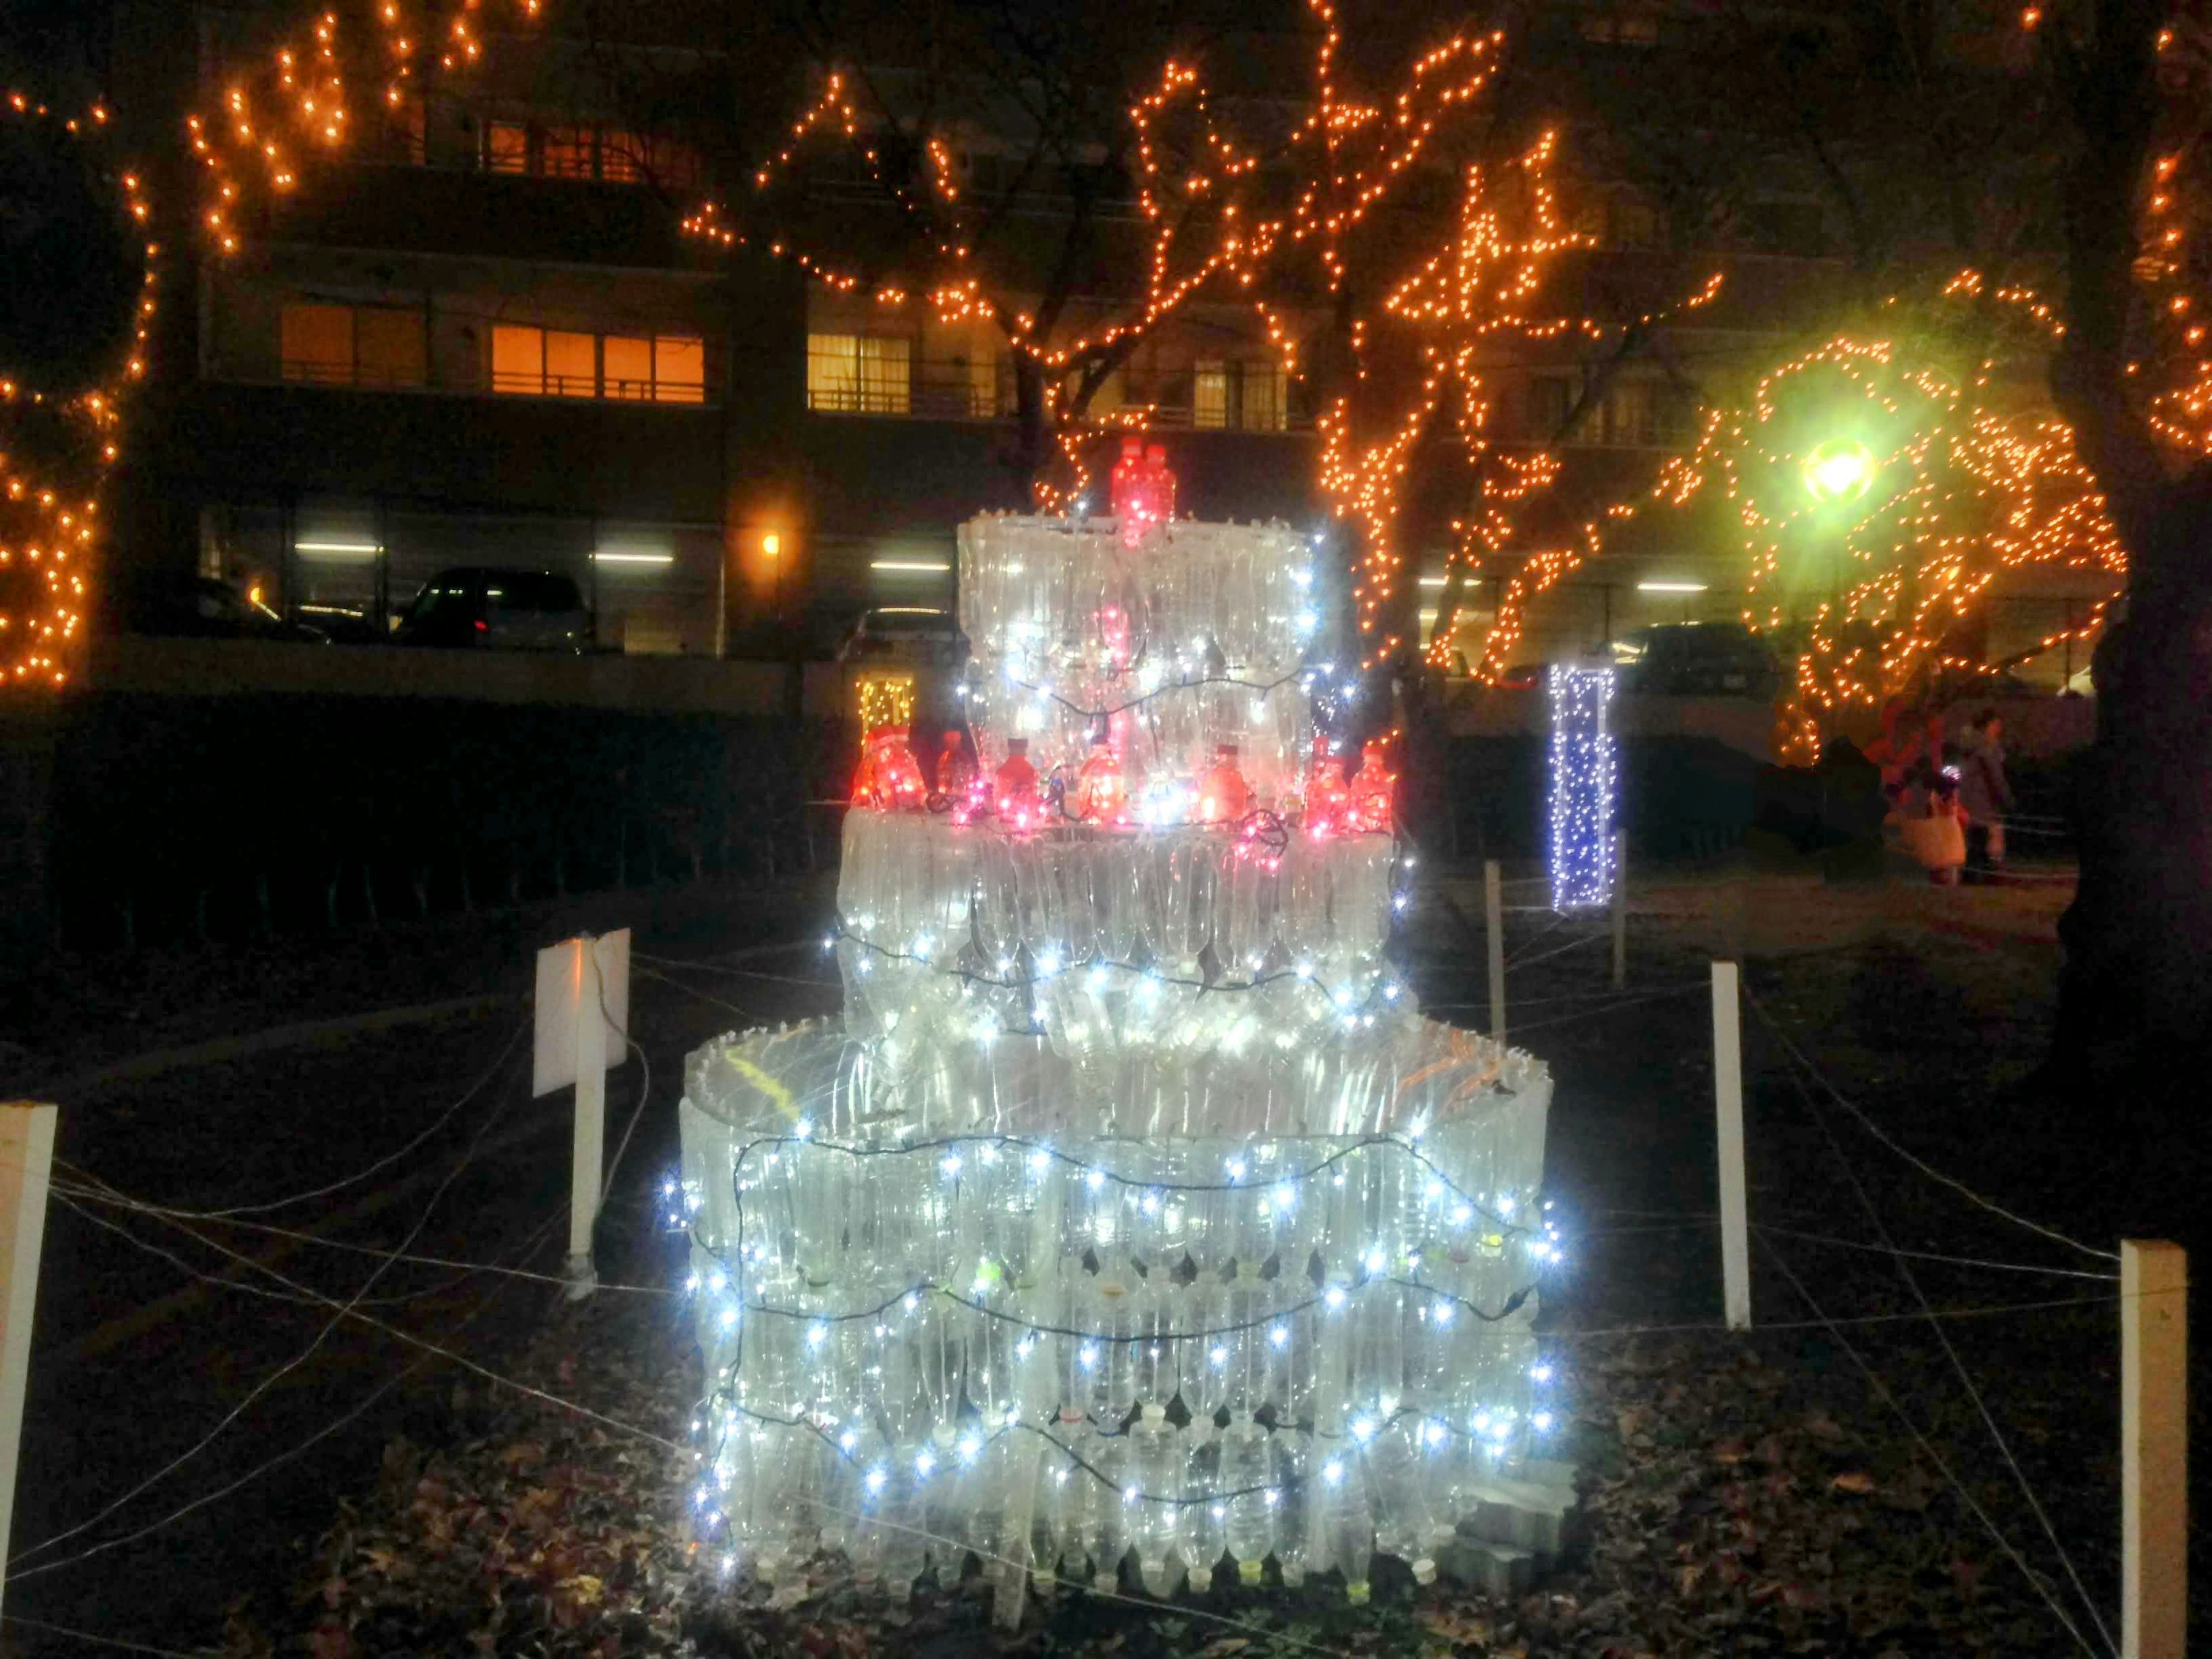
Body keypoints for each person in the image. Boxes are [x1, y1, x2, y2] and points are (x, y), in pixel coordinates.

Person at [1956, 707, 2015, 881]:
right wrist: (2007, 799)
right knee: (1983, 840)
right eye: (1996, 725)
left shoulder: (1969, 746)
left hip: (1970, 800)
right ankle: (1984, 876)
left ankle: (1973, 875)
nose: (1999, 729)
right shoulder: (1987, 748)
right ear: (1987, 726)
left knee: (1975, 839)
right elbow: (1995, 776)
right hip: (1983, 801)